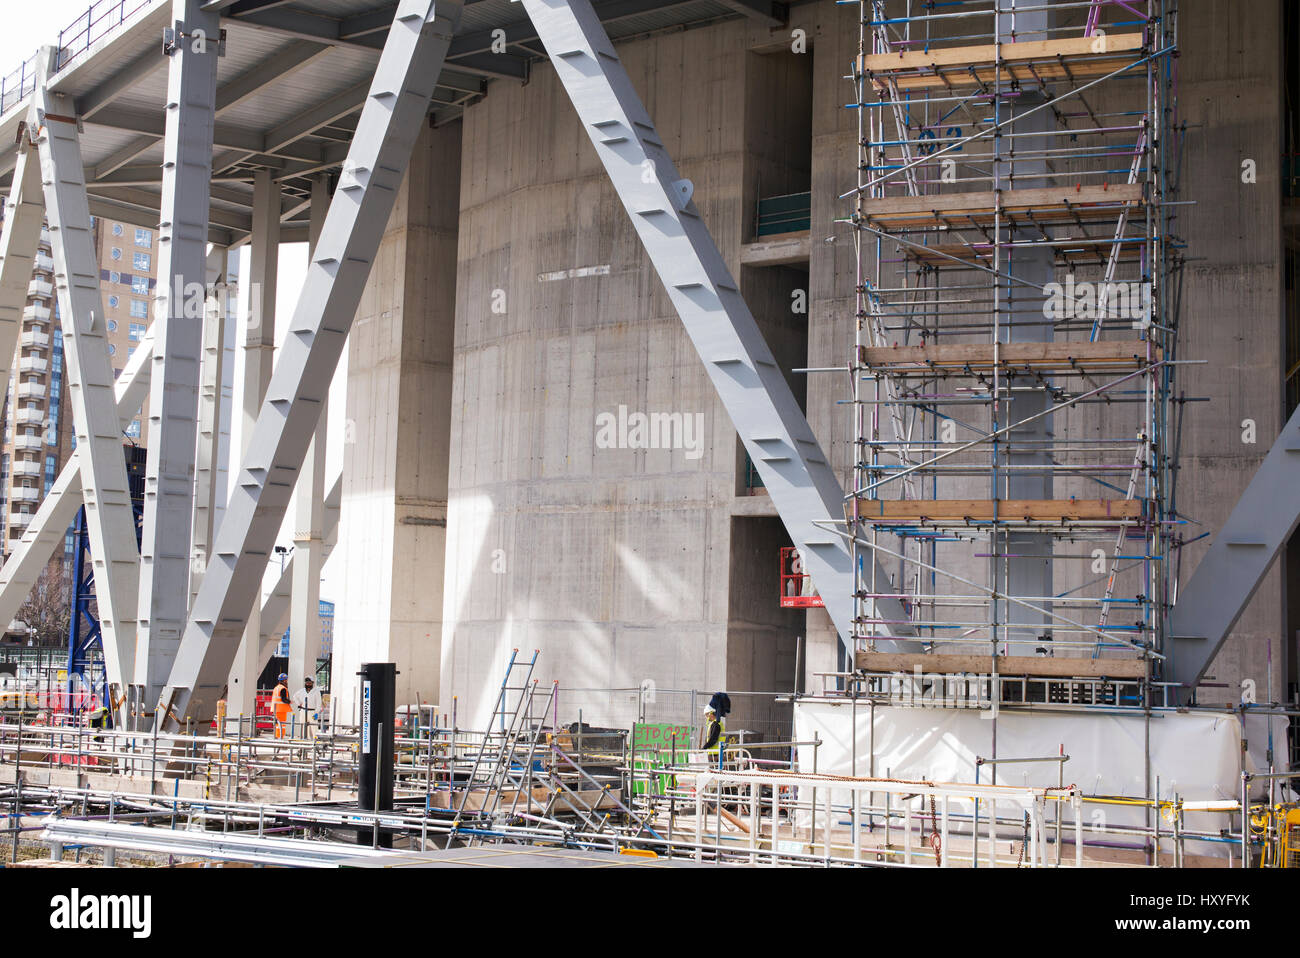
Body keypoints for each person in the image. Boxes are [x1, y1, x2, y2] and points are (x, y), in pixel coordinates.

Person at [271, 673, 292, 740]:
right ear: (284, 680)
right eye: (286, 680)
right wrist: (290, 702)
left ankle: (277, 736)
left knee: (277, 724)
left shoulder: (276, 688)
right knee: (282, 724)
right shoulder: (283, 688)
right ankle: (281, 737)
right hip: (281, 709)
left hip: (276, 709)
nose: (287, 681)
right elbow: (283, 699)